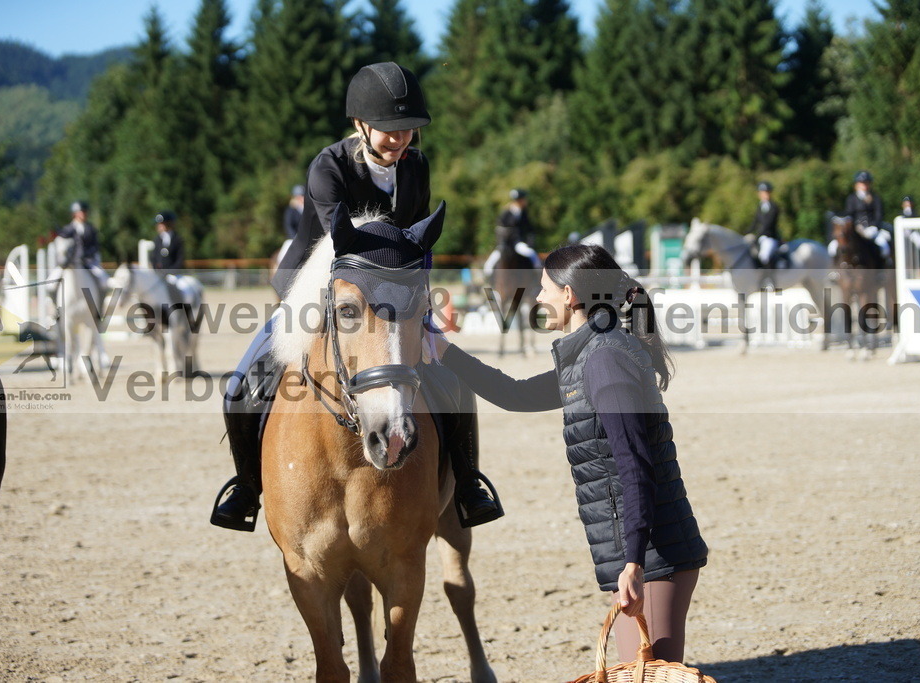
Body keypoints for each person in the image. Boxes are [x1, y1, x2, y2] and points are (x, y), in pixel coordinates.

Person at [211, 61, 503, 532]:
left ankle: (467, 482)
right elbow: (338, 248)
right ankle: (246, 486)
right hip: (314, 286)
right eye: (389, 129)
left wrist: (423, 304)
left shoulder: (417, 167)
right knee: (242, 383)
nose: (401, 138)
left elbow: (417, 244)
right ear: (360, 124)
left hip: (392, 299)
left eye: (408, 128)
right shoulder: (328, 168)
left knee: (454, 380)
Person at [434, 243, 708, 663]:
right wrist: (444, 352)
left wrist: (633, 562)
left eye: (544, 288)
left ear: (570, 295)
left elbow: (635, 468)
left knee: (648, 674)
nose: (538, 297)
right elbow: (516, 394)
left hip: (655, 557)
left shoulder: (605, 361)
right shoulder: (590, 355)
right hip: (643, 553)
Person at [52, 201, 110, 301]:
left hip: (88, 262)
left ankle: (99, 308)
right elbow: (62, 244)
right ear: (75, 213)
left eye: (84, 212)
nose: (83, 214)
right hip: (69, 263)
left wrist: (86, 255)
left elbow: (95, 246)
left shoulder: (91, 229)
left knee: (104, 281)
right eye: (80, 212)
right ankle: (56, 310)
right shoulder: (67, 229)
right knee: (50, 284)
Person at [483, 188, 541, 277]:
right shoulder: (506, 213)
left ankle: (538, 274)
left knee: (531, 254)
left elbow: (530, 230)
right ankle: (489, 280)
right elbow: (501, 230)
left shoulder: (524, 213)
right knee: (489, 264)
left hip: (518, 243)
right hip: (505, 244)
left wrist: (529, 243)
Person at [841, 170, 891, 263]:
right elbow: (849, 214)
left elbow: (879, 215)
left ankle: (883, 268)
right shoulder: (851, 199)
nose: (864, 185)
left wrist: (874, 227)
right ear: (857, 184)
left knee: (884, 246)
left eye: (866, 183)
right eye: (861, 183)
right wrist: (855, 226)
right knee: (834, 246)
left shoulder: (875, 198)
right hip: (856, 230)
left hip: (872, 229)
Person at [748, 181, 782, 268]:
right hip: (760, 238)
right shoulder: (760, 207)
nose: (764, 195)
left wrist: (758, 235)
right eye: (762, 192)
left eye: (766, 192)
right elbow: (755, 223)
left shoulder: (774, 207)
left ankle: (769, 279)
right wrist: (747, 232)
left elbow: (768, 224)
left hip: (770, 237)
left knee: (764, 256)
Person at [151, 210, 185, 276]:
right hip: (159, 274)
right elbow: (153, 257)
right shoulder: (157, 239)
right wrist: (156, 269)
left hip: (174, 274)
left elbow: (180, 259)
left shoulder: (177, 239)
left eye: (161, 224)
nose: (159, 226)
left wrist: (171, 271)